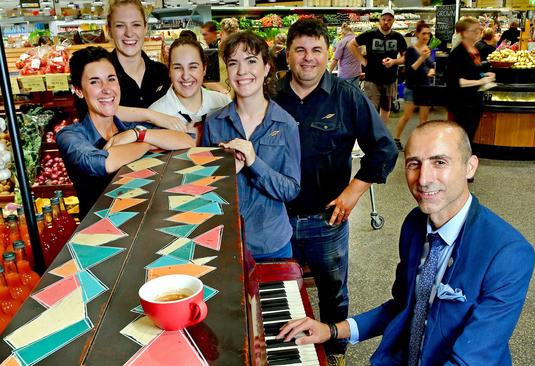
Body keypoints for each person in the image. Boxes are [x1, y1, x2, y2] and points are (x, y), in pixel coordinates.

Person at [277, 120, 535, 366]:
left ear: (470, 167)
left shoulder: (508, 253)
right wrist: (332, 330)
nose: (423, 179)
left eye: (440, 162)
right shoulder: (415, 223)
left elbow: (471, 358)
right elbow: (404, 305)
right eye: (414, 164)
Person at [273, 19, 398, 365]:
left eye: (316, 50)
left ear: (328, 54)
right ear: (287, 55)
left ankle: (335, 352)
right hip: (274, 220)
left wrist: (354, 192)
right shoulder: (269, 95)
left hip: (325, 221)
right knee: (277, 290)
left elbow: (384, 148)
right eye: (300, 50)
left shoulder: (346, 96)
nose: (308, 58)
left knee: (332, 292)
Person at [57, 46, 194, 219]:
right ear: (78, 90)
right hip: (98, 234)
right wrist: (147, 142)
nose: (107, 89)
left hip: (142, 221)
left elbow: (186, 141)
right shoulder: (70, 136)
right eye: (94, 82)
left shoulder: (129, 127)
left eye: (111, 79)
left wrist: (139, 135)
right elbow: (103, 163)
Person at [200, 31, 301, 261]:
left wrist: (254, 162)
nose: (242, 71)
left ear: (266, 68)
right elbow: (204, 188)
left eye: (251, 61)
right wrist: (225, 174)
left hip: (271, 244)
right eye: (233, 63)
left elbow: (291, 189)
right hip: (224, 243)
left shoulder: (286, 124)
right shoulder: (213, 122)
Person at [149, 37, 230, 143]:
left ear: (204, 68)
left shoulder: (224, 104)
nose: (186, 76)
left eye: (193, 67)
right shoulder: (156, 113)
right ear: (169, 70)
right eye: (178, 67)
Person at [347, 8, 407, 124]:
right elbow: (351, 45)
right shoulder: (370, 35)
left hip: (390, 79)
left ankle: (382, 132)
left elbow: (405, 57)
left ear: (393, 21)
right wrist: (363, 61)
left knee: (386, 108)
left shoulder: (398, 37)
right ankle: (371, 135)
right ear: (379, 19)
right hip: (372, 79)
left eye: (389, 20)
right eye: (384, 19)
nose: (386, 22)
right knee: (371, 108)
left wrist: (394, 62)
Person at [106, 0, 169, 109]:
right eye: (120, 25)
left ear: (145, 28)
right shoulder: (100, 75)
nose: (129, 33)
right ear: (109, 30)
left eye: (136, 25)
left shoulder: (162, 72)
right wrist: (150, 116)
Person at [446, 17, 495, 142]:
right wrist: (480, 81)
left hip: (474, 101)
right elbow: (456, 81)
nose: (478, 32)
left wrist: (484, 75)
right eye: (474, 30)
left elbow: (472, 71)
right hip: (462, 103)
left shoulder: (474, 50)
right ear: (464, 33)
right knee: (463, 136)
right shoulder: (457, 54)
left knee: (470, 134)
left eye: (478, 30)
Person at [393, 21, 435, 151]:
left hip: (425, 87)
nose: (426, 36)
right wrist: (422, 58)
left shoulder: (427, 49)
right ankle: (396, 140)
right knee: (407, 116)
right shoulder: (411, 50)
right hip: (412, 87)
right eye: (423, 33)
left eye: (428, 33)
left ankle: (422, 144)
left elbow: (431, 65)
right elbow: (410, 70)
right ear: (417, 34)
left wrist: (432, 70)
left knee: (424, 119)